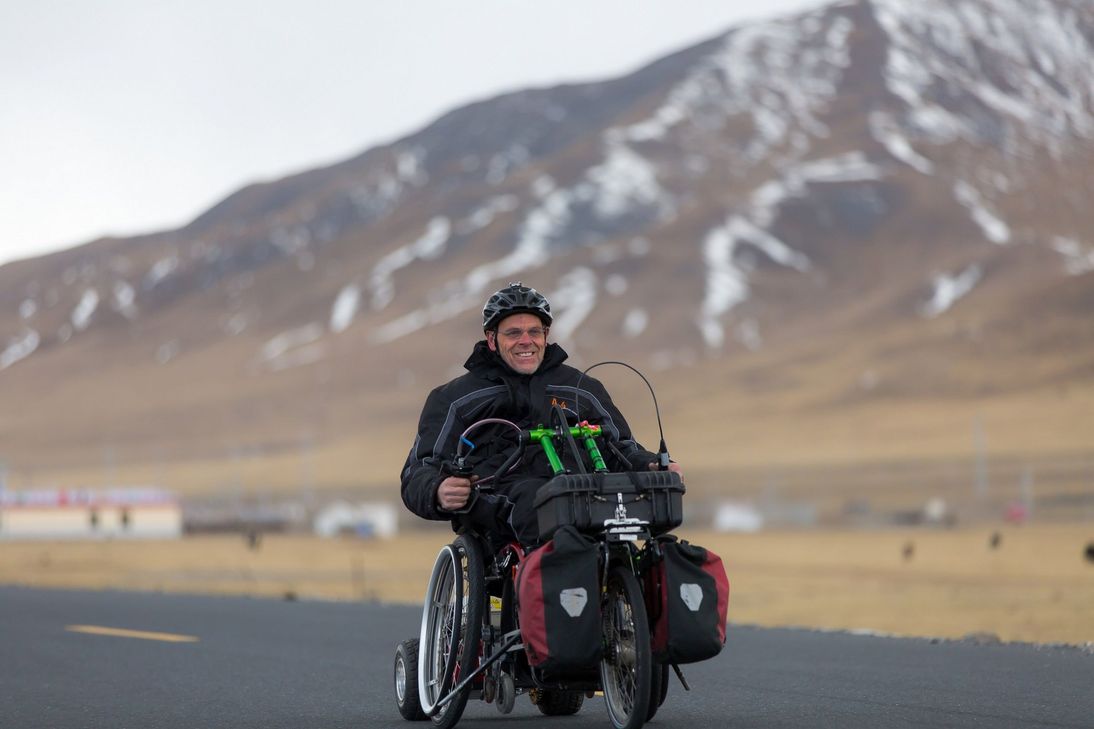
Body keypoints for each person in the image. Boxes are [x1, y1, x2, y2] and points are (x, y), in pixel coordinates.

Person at [400, 282, 682, 546]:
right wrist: (437, 490)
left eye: (535, 332)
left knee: (655, 544)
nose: (526, 341)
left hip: (582, 490)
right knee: (540, 508)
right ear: (491, 339)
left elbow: (620, 447)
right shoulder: (454, 399)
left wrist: (652, 466)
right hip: (502, 498)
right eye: (513, 333)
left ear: (546, 336)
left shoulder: (582, 389)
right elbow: (420, 468)